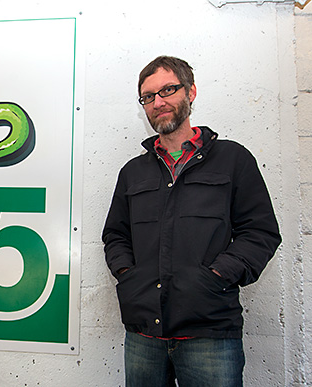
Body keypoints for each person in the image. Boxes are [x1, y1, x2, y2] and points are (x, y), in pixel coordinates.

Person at [101, 56, 281, 386]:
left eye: (168, 89)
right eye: (148, 96)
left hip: (209, 333)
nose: (159, 102)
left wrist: (216, 276)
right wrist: (129, 275)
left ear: (191, 92)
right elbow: (115, 235)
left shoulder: (232, 160)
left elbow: (260, 232)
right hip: (144, 336)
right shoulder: (133, 172)